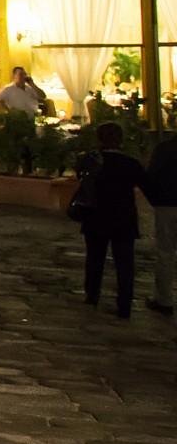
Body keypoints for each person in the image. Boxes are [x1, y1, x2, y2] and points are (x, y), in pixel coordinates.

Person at [75, 122, 149, 320]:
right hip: (123, 219)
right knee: (124, 263)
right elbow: (148, 187)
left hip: (96, 216)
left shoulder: (91, 161)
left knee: (94, 258)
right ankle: (124, 304)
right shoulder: (131, 164)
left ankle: (92, 295)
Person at [147, 133, 177, 318]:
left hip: (167, 204)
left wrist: (156, 201)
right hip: (166, 202)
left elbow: (151, 177)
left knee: (166, 252)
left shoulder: (164, 149)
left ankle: (164, 299)